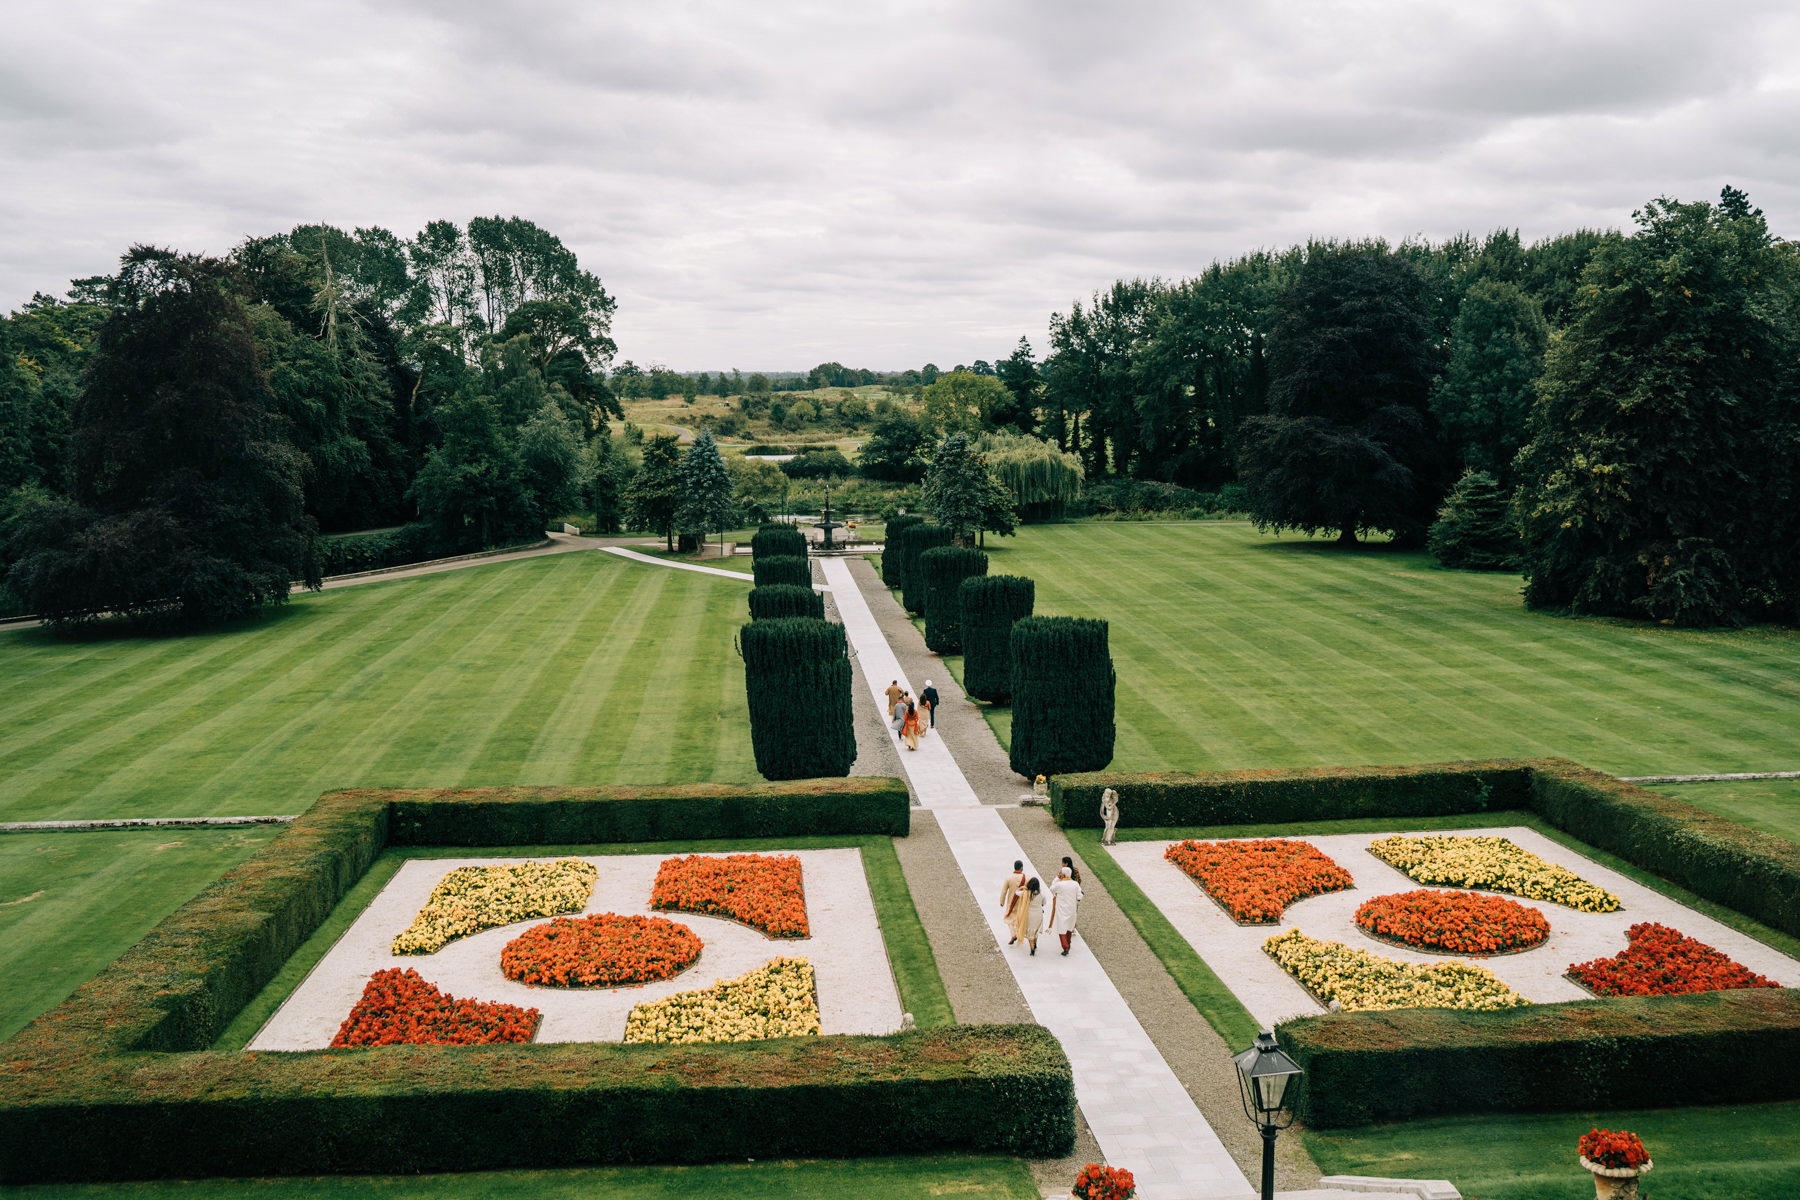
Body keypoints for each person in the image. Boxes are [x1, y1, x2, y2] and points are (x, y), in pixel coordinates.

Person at [1048, 866, 1083, 956]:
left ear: (1063, 875)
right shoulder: (1075, 884)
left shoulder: (1060, 884)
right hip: (1072, 909)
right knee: (1069, 928)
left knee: (1061, 928)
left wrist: (1056, 879)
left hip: (1062, 909)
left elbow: (1052, 888)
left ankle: (1065, 946)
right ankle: (1068, 943)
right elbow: (1079, 896)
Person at [1013, 877, 1045, 954]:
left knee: (1030, 932)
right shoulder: (1041, 894)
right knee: (1035, 931)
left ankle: (1032, 948)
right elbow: (1044, 903)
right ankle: (1035, 943)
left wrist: (1021, 887)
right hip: (1038, 914)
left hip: (1029, 914)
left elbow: (1016, 892)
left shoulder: (1025, 893)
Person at [999, 860, 1026, 943]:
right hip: (1022, 901)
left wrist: (1002, 901)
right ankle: (1018, 933)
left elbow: (1004, 890)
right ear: (1021, 868)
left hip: (1011, 901)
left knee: (1009, 918)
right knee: (1019, 918)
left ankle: (1013, 934)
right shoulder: (1026, 878)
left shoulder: (1009, 878)